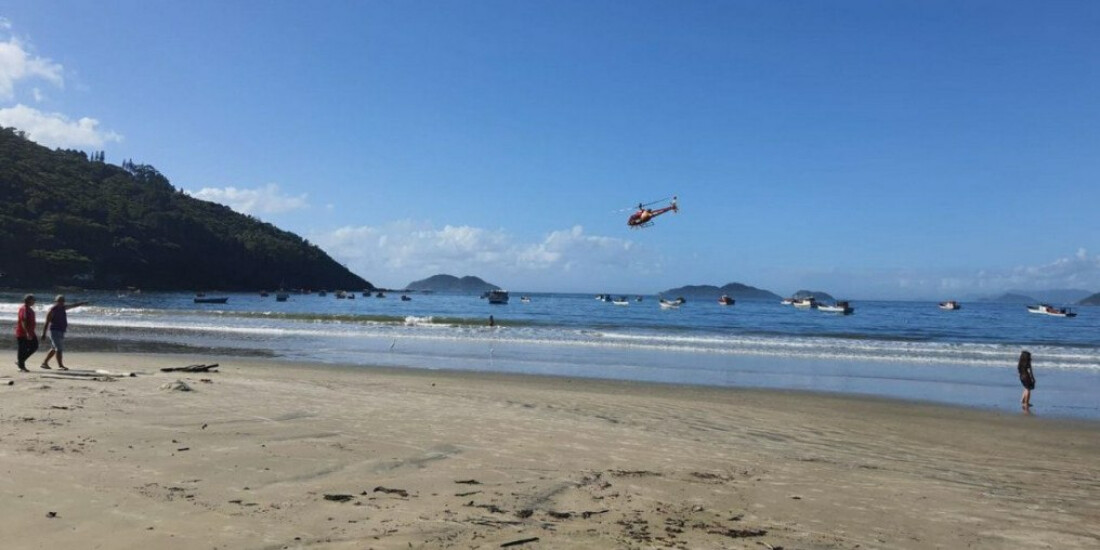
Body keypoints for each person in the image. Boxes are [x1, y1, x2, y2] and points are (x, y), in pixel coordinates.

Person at [40, 295, 89, 371]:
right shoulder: (52, 310)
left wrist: (82, 303)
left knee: (54, 348)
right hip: (54, 331)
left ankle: (44, 363)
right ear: (56, 302)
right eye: (60, 301)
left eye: (63, 301)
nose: (62, 302)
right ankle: (60, 366)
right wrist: (44, 334)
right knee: (59, 348)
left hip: (61, 331)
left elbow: (73, 305)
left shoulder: (63, 308)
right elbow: (47, 322)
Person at [14, 294, 38, 372]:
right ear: (28, 300)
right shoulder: (24, 309)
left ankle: (20, 362)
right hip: (22, 333)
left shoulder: (29, 309)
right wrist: (27, 332)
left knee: (34, 346)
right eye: (33, 300)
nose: (34, 301)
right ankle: (21, 367)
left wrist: (30, 332)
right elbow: (23, 321)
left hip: (31, 332)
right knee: (22, 349)